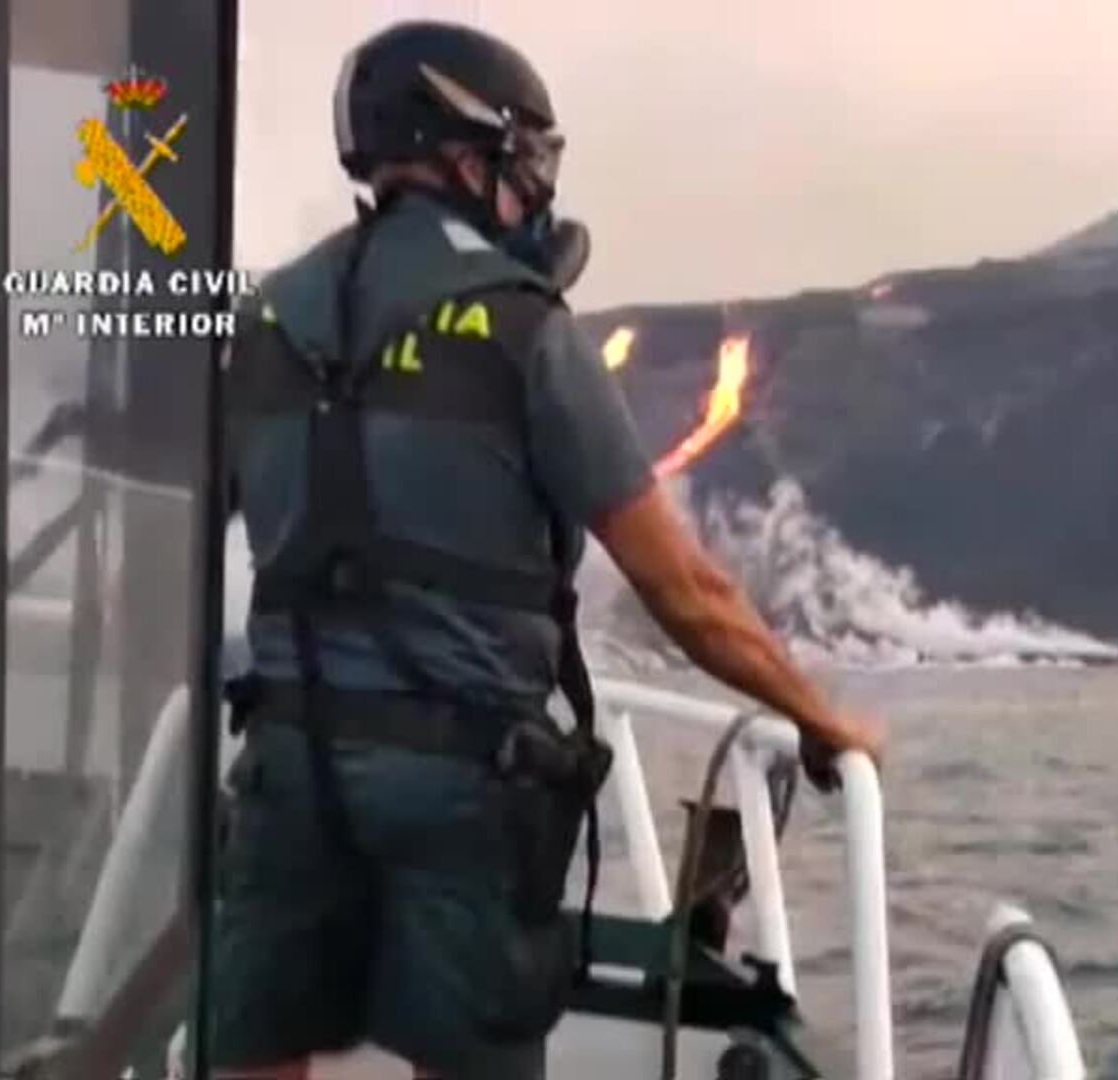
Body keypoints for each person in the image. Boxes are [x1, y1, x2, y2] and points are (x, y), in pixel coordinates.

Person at [209, 20, 883, 1079]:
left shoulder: (263, 325)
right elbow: (687, 589)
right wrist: (820, 717)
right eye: (528, 166)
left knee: (258, 1052)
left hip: (289, 769)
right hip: (462, 787)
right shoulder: (525, 330)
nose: (535, 196)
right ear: (468, 157)